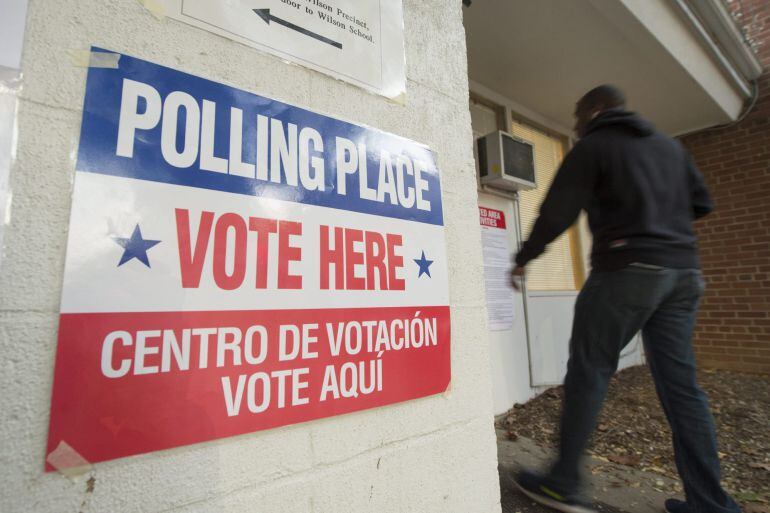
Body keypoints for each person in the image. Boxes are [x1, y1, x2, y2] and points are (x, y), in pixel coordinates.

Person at [509, 85, 739, 513]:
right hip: (684, 274)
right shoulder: (669, 149)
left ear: (595, 110)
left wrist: (523, 258)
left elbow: (558, 211)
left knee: (590, 371)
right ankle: (711, 504)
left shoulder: (595, 146)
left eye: (578, 116)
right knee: (682, 388)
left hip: (626, 270)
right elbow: (701, 204)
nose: (576, 126)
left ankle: (563, 485)